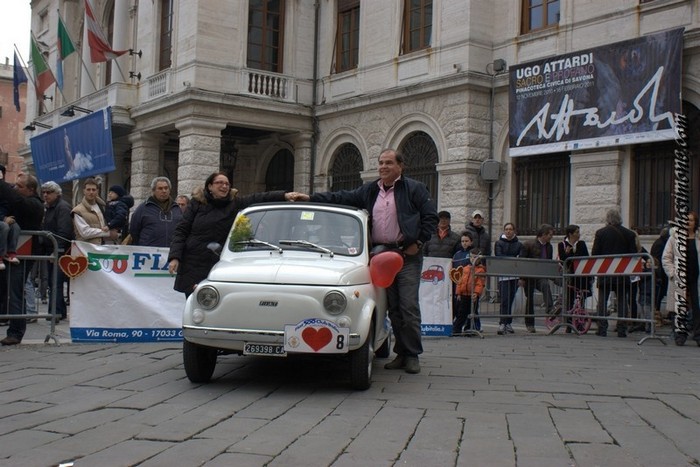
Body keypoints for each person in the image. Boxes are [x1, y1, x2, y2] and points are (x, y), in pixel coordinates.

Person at [310, 148, 438, 374]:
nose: (383, 167)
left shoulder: (415, 189)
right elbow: (341, 197)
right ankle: (400, 352)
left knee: (408, 306)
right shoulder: (370, 190)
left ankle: (412, 355)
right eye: (380, 163)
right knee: (393, 308)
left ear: (400, 166)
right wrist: (310, 197)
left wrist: (417, 243)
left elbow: (431, 218)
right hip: (379, 257)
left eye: (389, 163)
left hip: (406, 256)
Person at [168, 172, 307, 297]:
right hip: (194, 262)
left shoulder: (234, 203)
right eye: (219, 183)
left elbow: (258, 197)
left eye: (227, 184)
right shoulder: (196, 204)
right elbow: (181, 230)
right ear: (209, 186)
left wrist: (284, 195)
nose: (224, 186)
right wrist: (175, 257)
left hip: (219, 261)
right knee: (195, 304)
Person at [0, 174, 44, 345]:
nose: (15, 189)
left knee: (15, 291)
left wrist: (2, 184)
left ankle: (16, 331)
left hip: (23, 253)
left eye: (20, 186)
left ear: (31, 190)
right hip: (10, 253)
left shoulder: (35, 204)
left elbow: (16, 200)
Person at [591, 209, 638, 338]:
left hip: (605, 273)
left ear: (608, 219)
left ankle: (602, 329)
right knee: (622, 301)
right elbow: (633, 254)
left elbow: (595, 254)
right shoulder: (629, 234)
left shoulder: (600, 233)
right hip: (622, 274)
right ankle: (621, 329)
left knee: (602, 301)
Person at [662, 211, 700, 346]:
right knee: (680, 308)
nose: (688, 223)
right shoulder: (674, 238)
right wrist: (672, 273)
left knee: (697, 307)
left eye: (691, 221)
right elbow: (666, 257)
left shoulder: (698, 238)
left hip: (696, 279)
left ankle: (698, 335)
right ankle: (680, 335)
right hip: (680, 279)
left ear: (695, 223)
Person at [41, 181, 74, 322]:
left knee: (56, 282)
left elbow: (64, 231)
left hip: (60, 250)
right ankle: (57, 311)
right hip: (53, 249)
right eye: (44, 192)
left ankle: (56, 312)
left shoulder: (62, 208)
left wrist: (57, 251)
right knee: (53, 282)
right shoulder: (50, 207)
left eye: (49, 192)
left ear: (57, 193)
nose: (45, 195)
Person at [520, 223, 555, 333]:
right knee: (529, 300)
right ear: (543, 235)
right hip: (529, 277)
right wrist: (522, 278)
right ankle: (530, 324)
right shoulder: (528, 244)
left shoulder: (549, 247)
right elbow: (522, 261)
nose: (551, 236)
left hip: (541, 276)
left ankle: (550, 308)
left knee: (545, 284)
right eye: (550, 234)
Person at [130, 177, 183, 247]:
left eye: (166, 188)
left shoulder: (176, 208)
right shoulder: (143, 208)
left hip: (171, 252)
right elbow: (134, 231)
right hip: (149, 252)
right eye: (160, 188)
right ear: (153, 190)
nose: (164, 191)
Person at [557, 224, 591, 333]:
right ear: (570, 234)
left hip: (581, 275)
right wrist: (569, 253)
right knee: (570, 299)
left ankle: (580, 322)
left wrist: (572, 254)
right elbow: (564, 259)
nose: (578, 234)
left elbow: (585, 256)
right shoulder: (562, 244)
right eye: (576, 232)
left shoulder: (581, 244)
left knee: (581, 298)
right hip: (570, 276)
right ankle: (569, 323)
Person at [495, 222, 522, 335]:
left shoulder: (519, 244)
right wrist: (513, 259)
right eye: (506, 229)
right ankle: (502, 323)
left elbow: (521, 257)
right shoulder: (499, 243)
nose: (508, 231)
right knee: (504, 299)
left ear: (514, 231)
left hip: (514, 275)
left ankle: (508, 323)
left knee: (511, 299)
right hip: (503, 275)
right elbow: (499, 256)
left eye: (510, 229)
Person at [72, 178, 117, 245]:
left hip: (102, 248)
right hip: (85, 250)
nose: (91, 192)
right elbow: (85, 232)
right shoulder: (78, 210)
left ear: (97, 191)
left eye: (93, 189)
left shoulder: (103, 206)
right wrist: (108, 233)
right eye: (88, 189)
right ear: (84, 191)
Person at [454, 248, 486, 335]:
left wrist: (476, 293)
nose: (472, 259)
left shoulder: (481, 270)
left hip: (473, 295)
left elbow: (480, 284)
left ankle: (470, 329)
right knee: (461, 313)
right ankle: (456, 329)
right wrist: (458, 293)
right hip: (464, 294)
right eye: (471, 257)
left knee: (472, 312)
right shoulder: (465, 268)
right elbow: (460, 282)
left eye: (475, 257)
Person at [650, 226, 670, 322]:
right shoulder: (660, 244)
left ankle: (657, 312)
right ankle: (656, 313)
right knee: (658, 294)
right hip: (659, 274)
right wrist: (660, 275)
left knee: (660, 294)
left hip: (660, 274)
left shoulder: (660, 242)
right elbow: (658, 260)